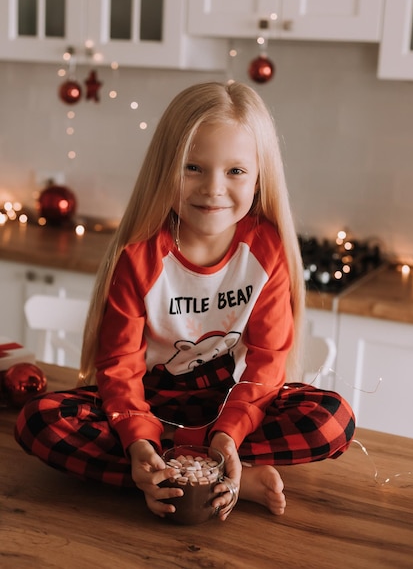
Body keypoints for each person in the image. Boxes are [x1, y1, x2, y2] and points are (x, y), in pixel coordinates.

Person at [15, 81, 355, 521]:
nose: (213, 189)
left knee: (333, 418)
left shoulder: (266, 250)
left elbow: (268, 361)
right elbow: (119, 368)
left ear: (259, 176)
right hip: (148, 405)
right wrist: (138, 439)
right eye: (193, 167)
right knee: (37, 420)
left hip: (230, 405)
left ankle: (199, 468)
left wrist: (228, 436)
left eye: (235, 171)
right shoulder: (139, 257)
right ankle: (205, 477)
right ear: (165, 168)